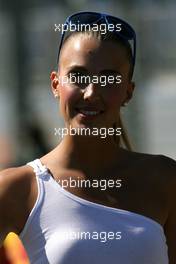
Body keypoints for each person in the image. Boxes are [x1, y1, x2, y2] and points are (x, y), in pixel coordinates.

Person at [0, 11, 176, 264]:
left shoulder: (165, 179)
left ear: (128, 91)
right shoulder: (19, 188)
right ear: (55, 85)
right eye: (78, 77)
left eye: (108, 79)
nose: (91, 93)